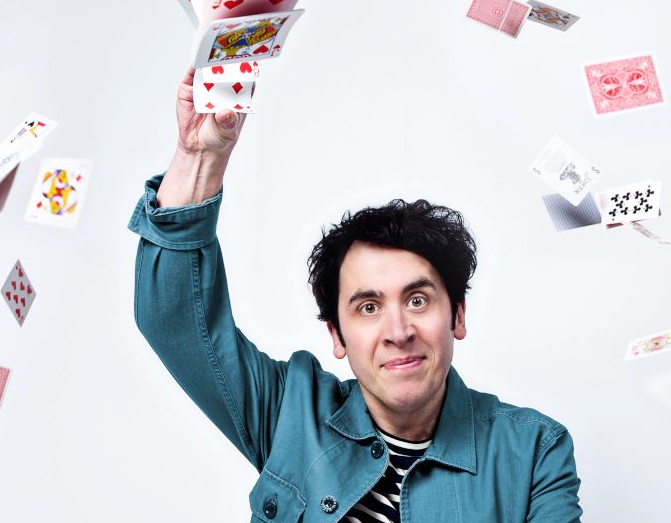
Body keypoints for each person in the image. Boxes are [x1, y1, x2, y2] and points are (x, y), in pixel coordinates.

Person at [128, 68, 583, 522]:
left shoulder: (534, 451)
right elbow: (175, 322)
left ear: (457, 315)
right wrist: (200, 158)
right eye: (368, 307)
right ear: (337, 335)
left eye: (418, 300)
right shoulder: (291, 414)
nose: (398, 332)